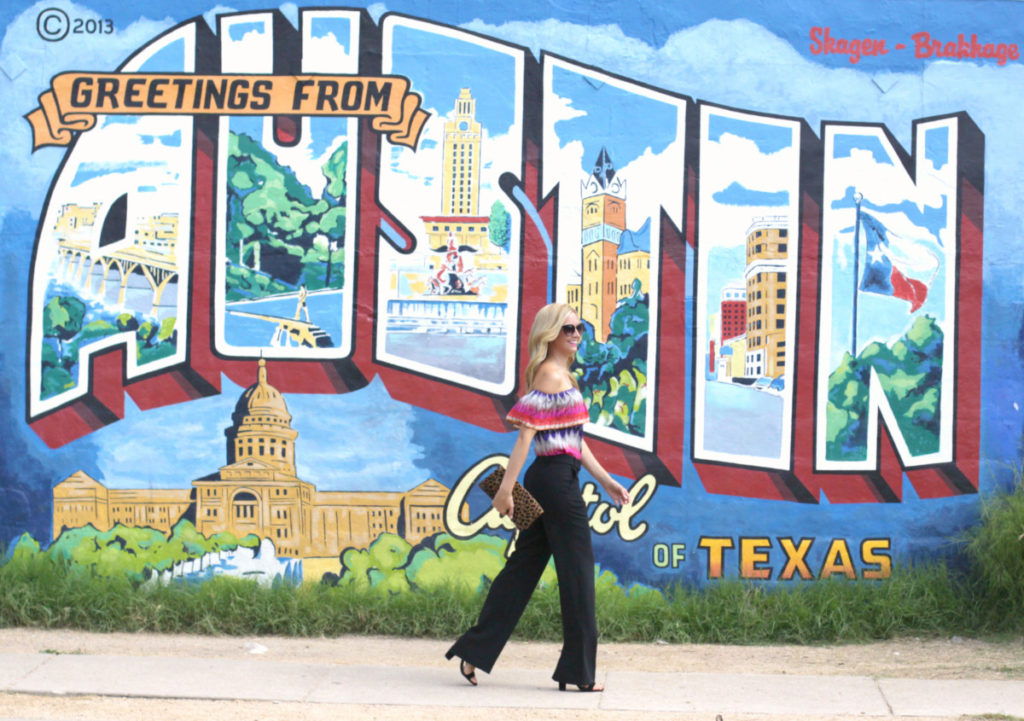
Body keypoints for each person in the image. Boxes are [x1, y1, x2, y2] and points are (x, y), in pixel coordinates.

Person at [445, 303, 631, 692]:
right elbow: (525, 437)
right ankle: (579, 673)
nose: (576, 334)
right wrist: (506, 491)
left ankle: (473, 652)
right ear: (550, 334)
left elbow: (573, 442)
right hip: (556, 485)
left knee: (522, 570)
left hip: (557, 477)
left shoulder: (565, 377)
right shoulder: (550, 375)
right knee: (578, 574)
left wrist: (607, 481)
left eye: (579, 327)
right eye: (568, 329)